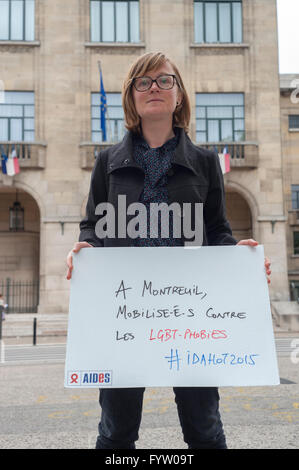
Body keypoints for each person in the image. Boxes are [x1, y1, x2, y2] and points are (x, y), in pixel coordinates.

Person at [66, 52, 271, 449]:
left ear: (178, 96)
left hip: (189, 314)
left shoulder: (206, 162)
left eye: (163, 80)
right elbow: (93, 223)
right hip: (125, 314)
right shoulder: (107, 162)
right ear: (132, 97)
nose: (153, 88)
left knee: (204, 427)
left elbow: (215, 229)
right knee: (116, 431)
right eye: (143, 82)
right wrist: (85, 247)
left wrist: (238, 255)